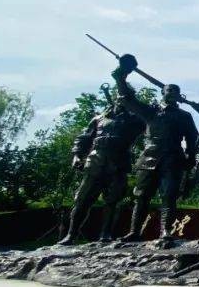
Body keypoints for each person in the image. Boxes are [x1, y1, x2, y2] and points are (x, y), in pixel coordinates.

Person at [114, 63, 199, 244]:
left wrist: (191, 158)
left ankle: (166, 232)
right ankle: (134, 232)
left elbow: (192, 138)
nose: (172, 92)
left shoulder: (184, 116)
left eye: (175, 91)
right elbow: (128, 99)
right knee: (141, 196)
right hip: (149, 158)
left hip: (173, 158)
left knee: (169, 196)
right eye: (169, 90)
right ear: (162, 92)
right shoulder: (150, 111)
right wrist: (120, 77)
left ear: (179, 95)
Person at [61, 94, 144, 244]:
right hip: (95, 161)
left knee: (112, 201)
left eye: (126, 98)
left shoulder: (135, 120)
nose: (121, 100)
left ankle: (106, 234)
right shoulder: (98, 118)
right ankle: (71, 235)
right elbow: (84, 138)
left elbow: (152, 121)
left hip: (119, 162)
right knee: (82, 200)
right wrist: (77, 156)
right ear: (115, 99)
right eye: (119, 97)